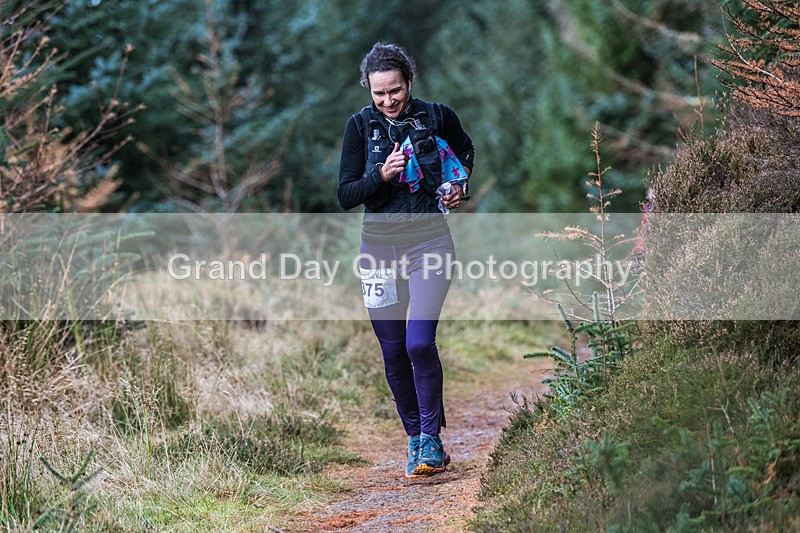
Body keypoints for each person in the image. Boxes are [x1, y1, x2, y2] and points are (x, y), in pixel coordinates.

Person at [337, 42, 474, 478]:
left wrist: (459, 184)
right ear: (369, 91)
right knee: (393, 352)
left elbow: (465, 153)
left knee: (418, 342)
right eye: (379, 94)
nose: (388, 101)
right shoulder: (359, 127)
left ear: (409, 82)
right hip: (377, 251)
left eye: (394, 91)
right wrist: (380, 176)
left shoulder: (438, 116)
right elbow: (346, 195)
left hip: (430, 243)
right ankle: (416, 440)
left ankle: (432, 438)